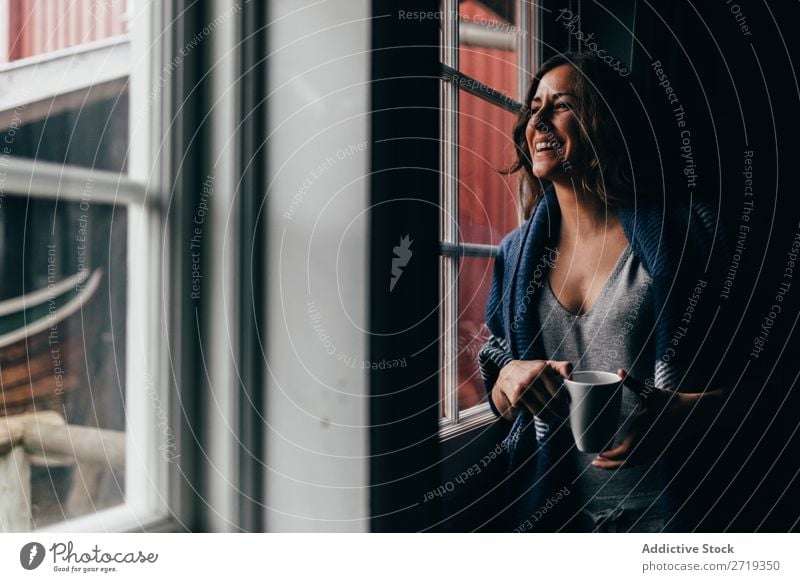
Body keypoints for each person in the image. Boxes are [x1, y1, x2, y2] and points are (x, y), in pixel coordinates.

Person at [479, 52, 729, 532]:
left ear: (607, 123)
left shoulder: (692, 233)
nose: (538, 118)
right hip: (561, 523)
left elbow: (774, 386)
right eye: (533, 107)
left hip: (683, 519)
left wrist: (682, 413)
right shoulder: (514, 257)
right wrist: (508, 381)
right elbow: (498, 376)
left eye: (561, 104)